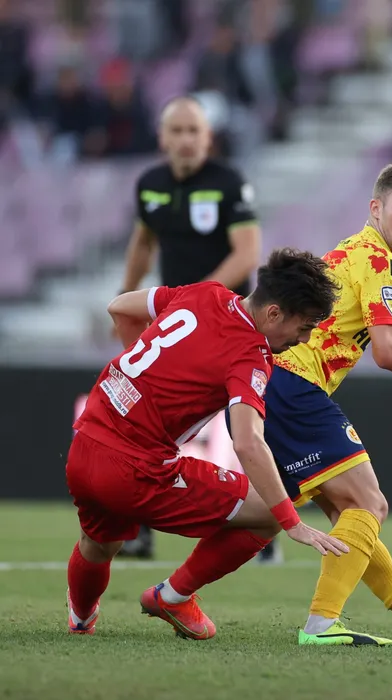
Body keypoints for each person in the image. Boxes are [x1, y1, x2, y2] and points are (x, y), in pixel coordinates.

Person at [66, 249, 348, 639]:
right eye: (304, 327)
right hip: (136, 470)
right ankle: (172, 596)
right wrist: (292, 522)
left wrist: (143, 375)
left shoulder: (204, 293)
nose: (304, 339)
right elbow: (248, 443)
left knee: (98, 544)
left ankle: (81, 619)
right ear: (273, 314)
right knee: (268, 513)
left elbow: (121, 307)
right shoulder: (250, 354)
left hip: (84, 447)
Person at [247, 164, 392, 646]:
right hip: (295, 384)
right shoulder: (379, 261)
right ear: (376, 208)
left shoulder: (353, 250)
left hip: (273, 380)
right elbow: (388, 351)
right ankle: (322, 624)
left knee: (349, 513)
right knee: (369, 503)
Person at [117, 95, 279, 564]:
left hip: (228, 325)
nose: (186, 140)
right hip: (175, 325)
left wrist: (199, 300)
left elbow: (247, 255)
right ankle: (138, 530)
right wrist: (127, 292)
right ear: (162, 137)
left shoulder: (229, 184)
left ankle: (265, 524)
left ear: (208, 139)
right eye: (178, 131)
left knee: (244, 427)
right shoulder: (150, 185)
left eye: (195, 131)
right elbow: (143, 242)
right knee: (147, 423)